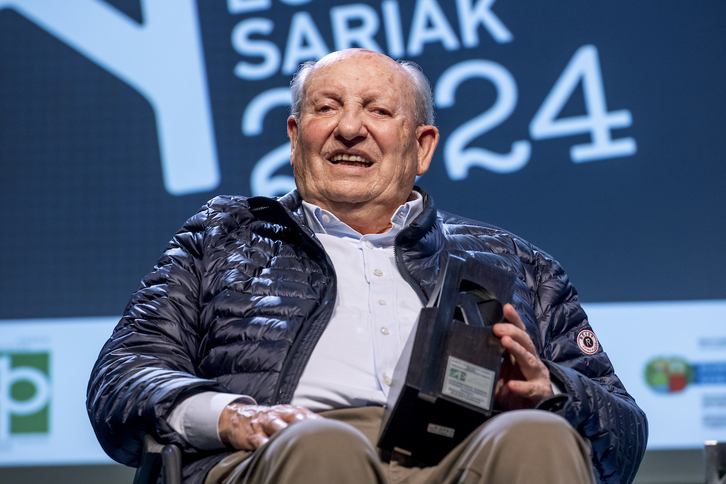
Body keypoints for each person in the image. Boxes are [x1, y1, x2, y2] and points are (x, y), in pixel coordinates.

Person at [87, 49, 647, 484]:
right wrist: (233, 416)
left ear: (422, 146)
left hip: (465, 455)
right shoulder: (222, 237)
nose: (349, 128)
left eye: (378, 110)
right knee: (324, 446)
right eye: (326, 108)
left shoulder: (516, 262)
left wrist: (550, 390)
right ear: (293, 136)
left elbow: (624, 433)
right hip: (278, 453)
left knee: (537, 437)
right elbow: (124, 377)